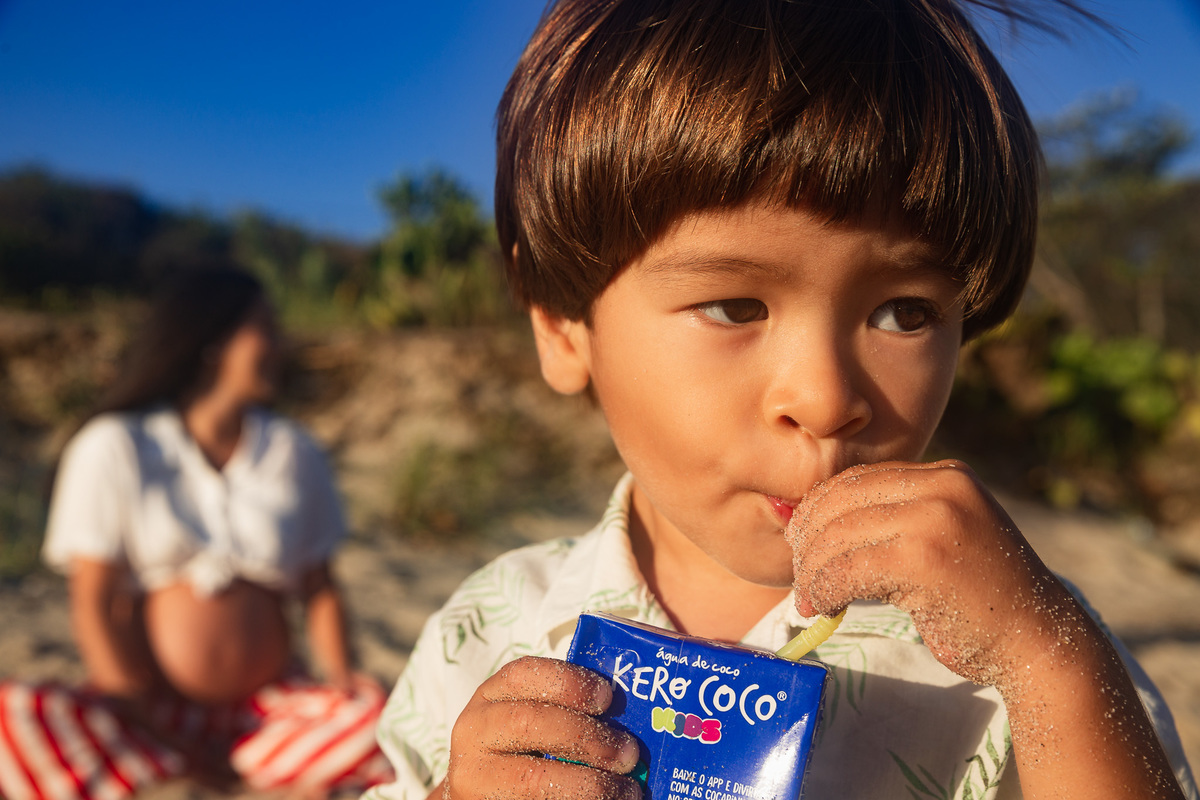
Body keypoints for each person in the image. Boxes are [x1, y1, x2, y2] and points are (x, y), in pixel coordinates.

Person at [367, 1, 1198, 798]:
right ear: (561, 328)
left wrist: (1052, 670)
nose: (828, 397)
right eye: (734, 307)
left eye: (904, 312)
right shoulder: (486, 628)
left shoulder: (1019, 646)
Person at [0, 267, 393, 799]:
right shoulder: (115, 444)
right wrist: (137, 710)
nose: (279, 345)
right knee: (14, 713)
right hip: (147, 708)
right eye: (265, 329)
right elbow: (91, 599)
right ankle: (177, 765)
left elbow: (319, 585)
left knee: (385, 716)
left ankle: (208, 771)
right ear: (212, 340)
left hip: (265, 712)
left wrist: (344, 674)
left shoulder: (294, 452)